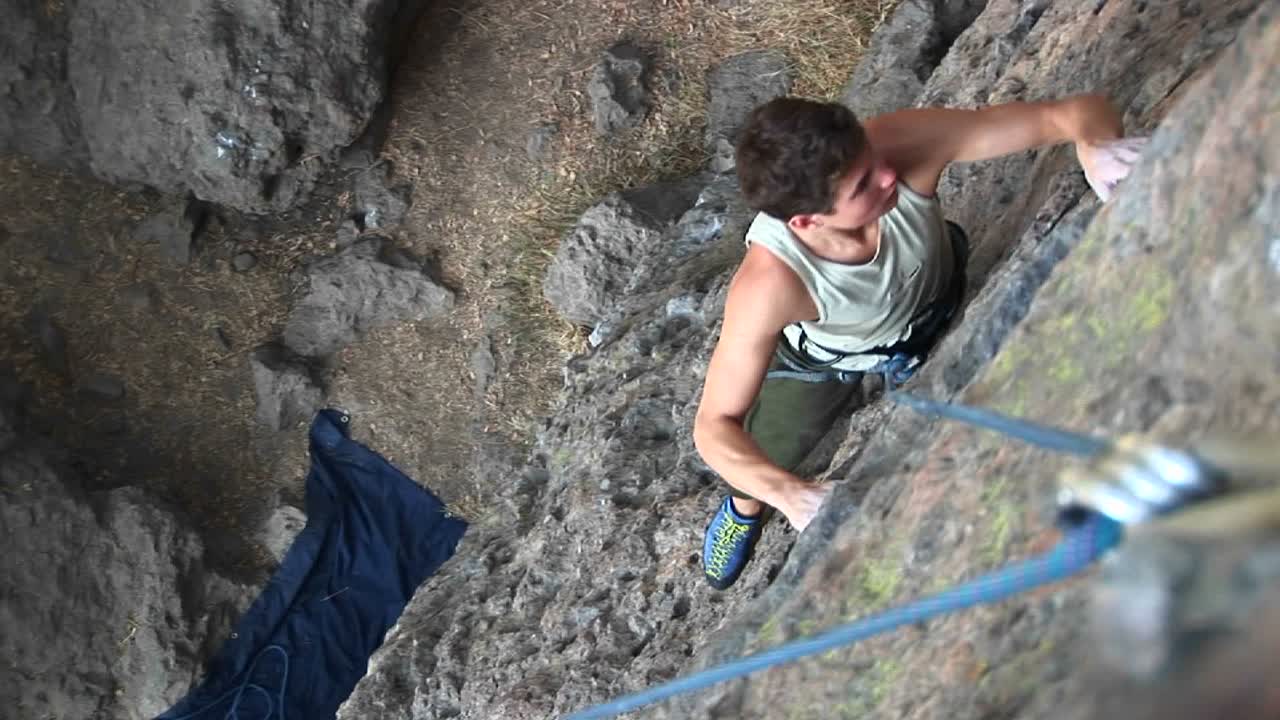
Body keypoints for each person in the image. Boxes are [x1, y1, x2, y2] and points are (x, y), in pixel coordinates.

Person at [694, 94, 1147, 590]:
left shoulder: (898, 143)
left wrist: (1097, 145)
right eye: (863, 185)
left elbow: (1068, 114)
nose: (887, 175)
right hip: (832, 355)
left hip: (935, 296)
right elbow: (714, 426)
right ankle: (744, 506)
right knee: (767, 447)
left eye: (870, 156)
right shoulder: (770, 285)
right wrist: (790, 494)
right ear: (806, 221)